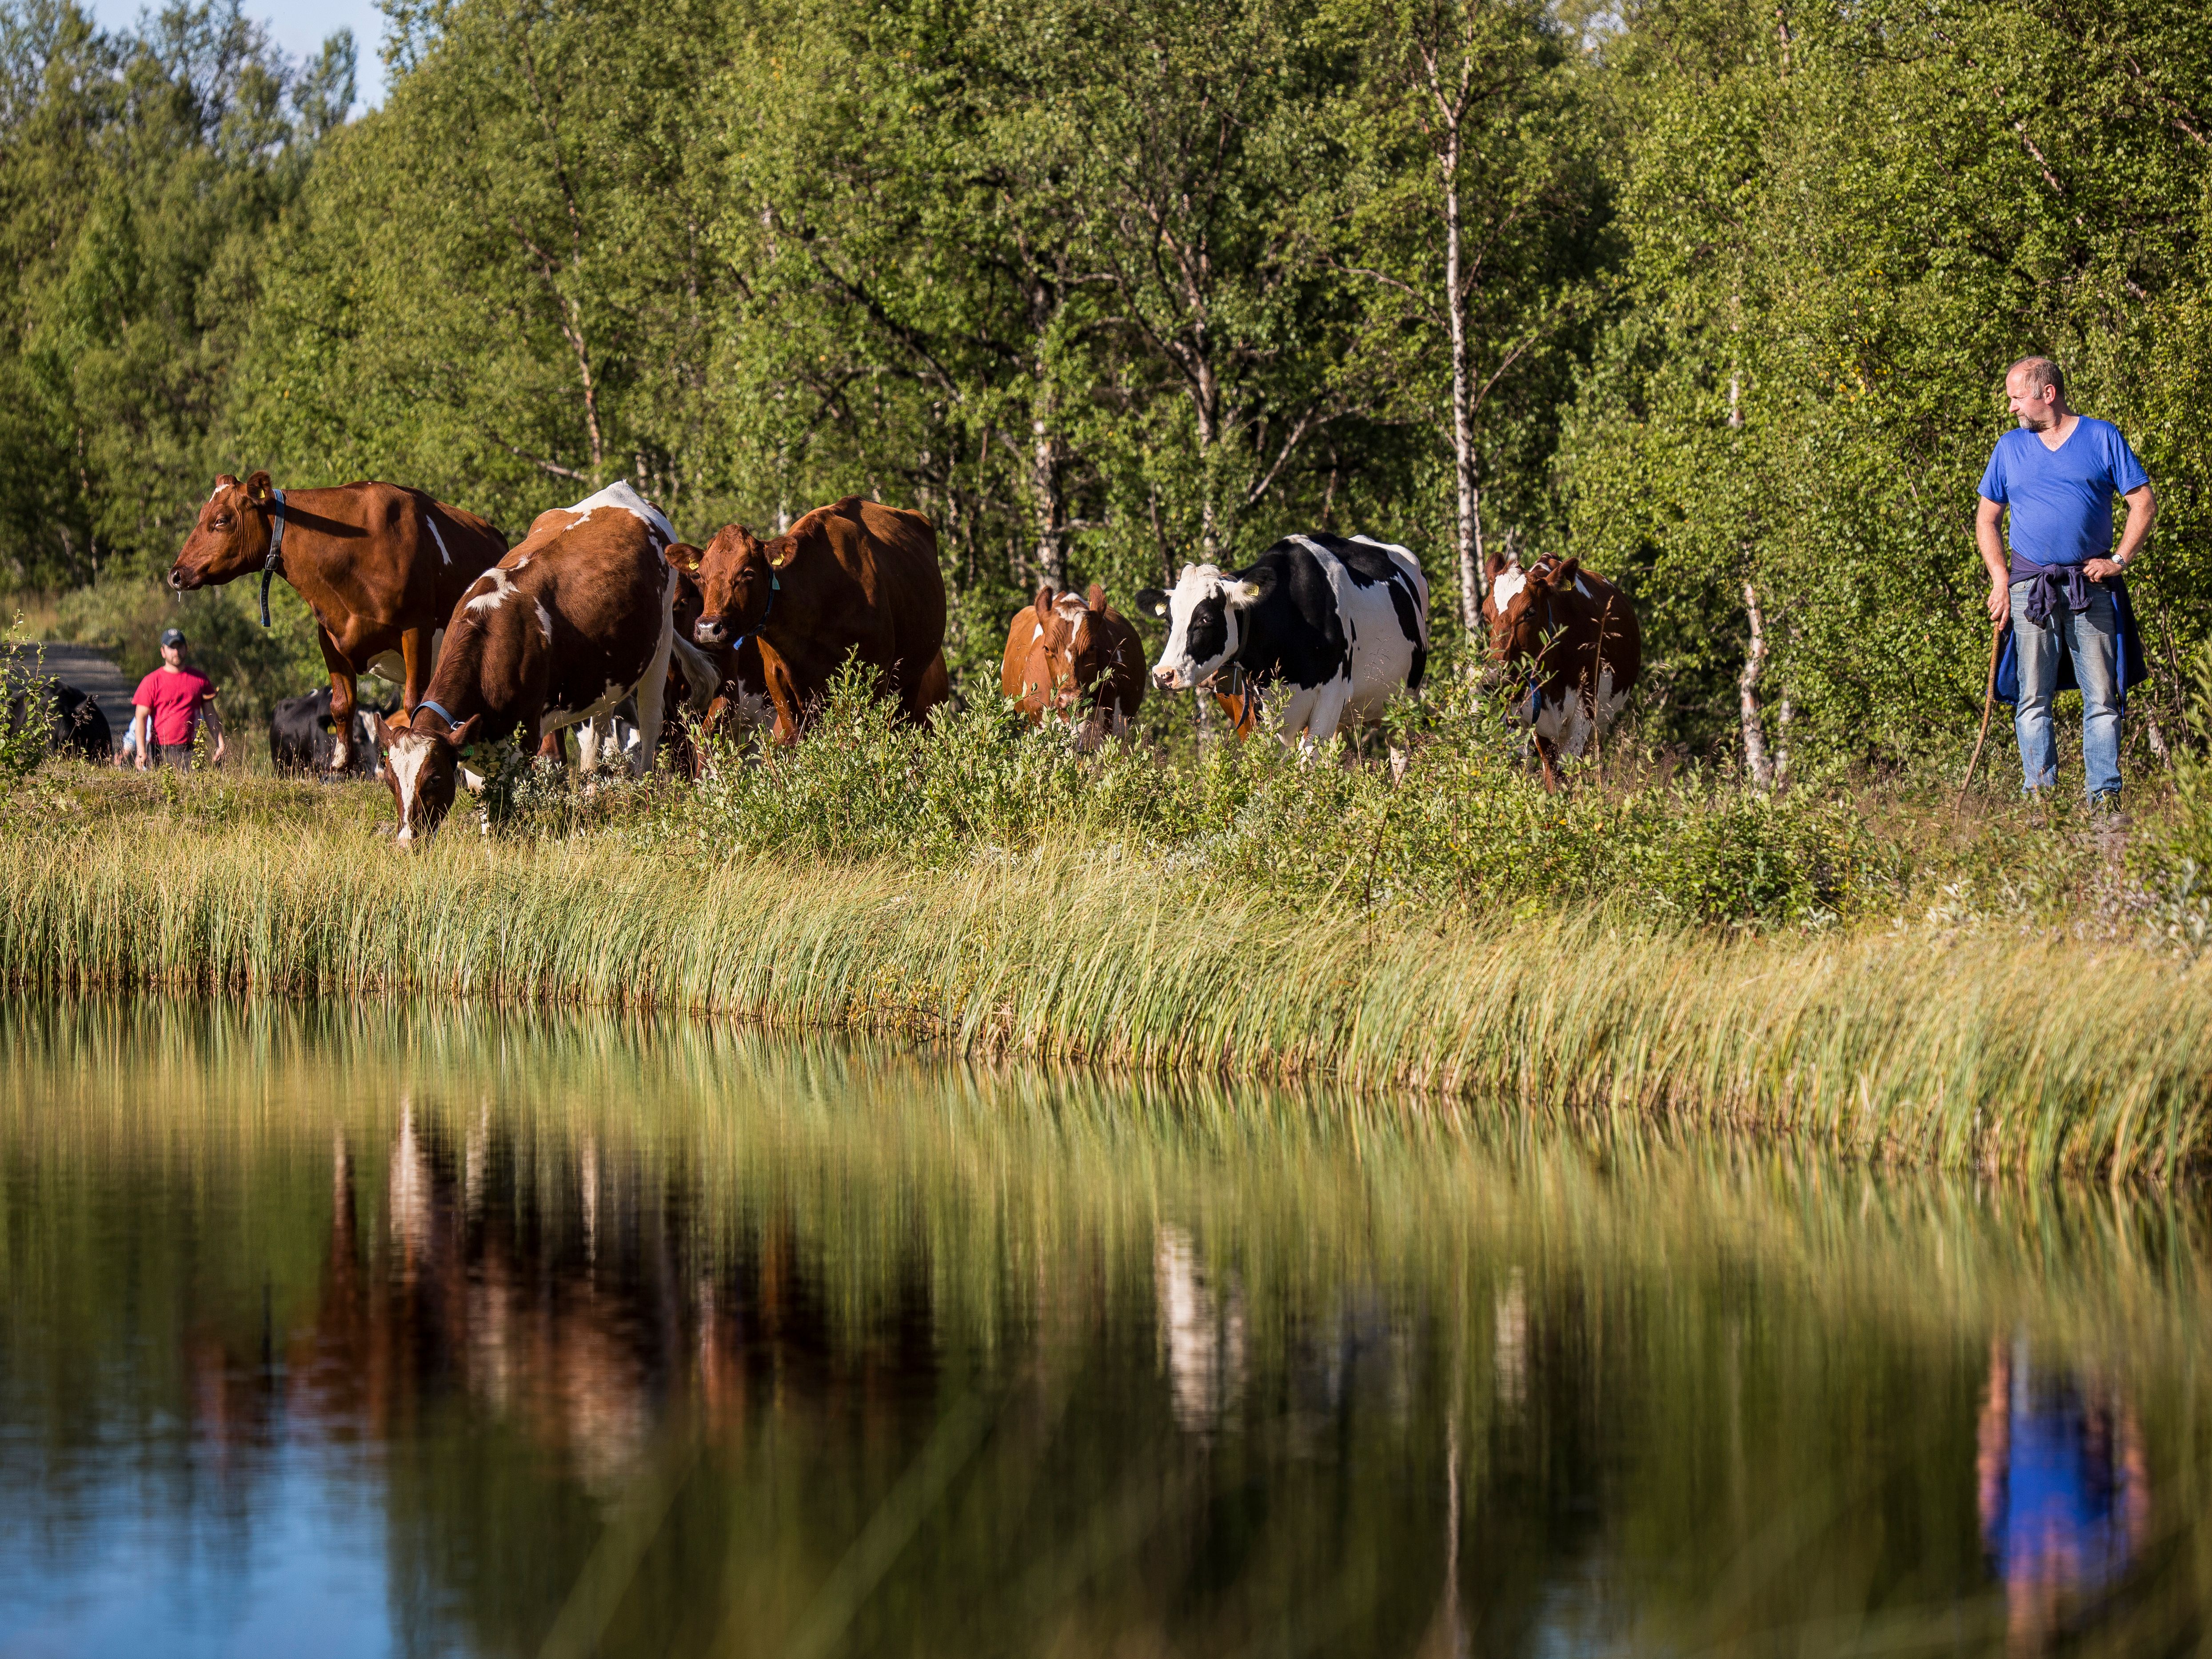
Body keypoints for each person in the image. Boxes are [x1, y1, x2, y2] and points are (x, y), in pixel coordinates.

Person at [1976, 356, 2156, 806]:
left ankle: (2104, 803)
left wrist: (2118, 559)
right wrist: (2000, 579)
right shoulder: (2009, 448)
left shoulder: (2100, 436)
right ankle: (2041, 804)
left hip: (2089, 588)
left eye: (2017, 397)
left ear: (2047, 394)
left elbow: (2144, 503)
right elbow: (1987, 519)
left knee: (2102, 697)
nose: (2012, 408)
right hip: (2029, 590)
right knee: (2032, 697)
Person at [131, 627, 225, 771]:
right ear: (163, 652)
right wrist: (141, 752)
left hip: (192, 750)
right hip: (159, 751)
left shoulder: (200, 680)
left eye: (179, 647)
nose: (176, 652)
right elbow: (141, 719)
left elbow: (210, 714)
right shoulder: (151, 682)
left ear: (186, 649)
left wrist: (220, 744)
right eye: (171, 648)